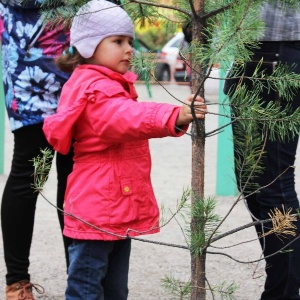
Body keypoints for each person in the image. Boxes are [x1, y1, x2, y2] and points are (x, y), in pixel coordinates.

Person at [42, 0, 207, 298]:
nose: (129, 48)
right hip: (97, 208)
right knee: (87, 287)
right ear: (89, 46)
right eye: (118, 41)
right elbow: (123, 118)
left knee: (114, 289)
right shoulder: (95, 88)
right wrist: (172, 116)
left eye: (130, 41)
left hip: (112, 205)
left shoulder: (109, 83)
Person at [0, 0, 74, 299]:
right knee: (30, 176)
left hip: (78, 70)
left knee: (76, 179)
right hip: (32, 72)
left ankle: (81, 276)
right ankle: (17, 281)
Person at [227, 1, 300, 299]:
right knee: (252, 183)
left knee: (273, 184)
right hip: (251, 50)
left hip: (278, 48)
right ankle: (285, 280)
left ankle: (282, 293)